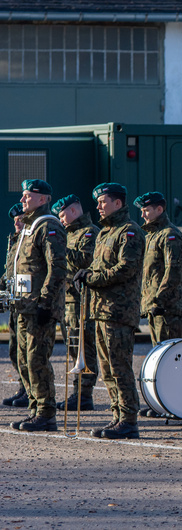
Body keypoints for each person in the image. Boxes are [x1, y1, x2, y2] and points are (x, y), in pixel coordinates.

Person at [75, 183, 143, 439]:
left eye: (103, 202)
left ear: (118, 203)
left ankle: (128, 419)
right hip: (101, 309)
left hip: (119, 311)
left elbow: (126, 268)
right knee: (106, 369)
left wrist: (93, 278)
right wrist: (88, 274)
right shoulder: (105, 232)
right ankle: (117, 417)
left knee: (119, 367)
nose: (99, 207)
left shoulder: (130, 232)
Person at [8, 180, 66, 432]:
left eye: (28, 196)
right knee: (23, 359)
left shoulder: (49, 226)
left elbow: (58, 268)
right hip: (23, 306)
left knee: (36, 359)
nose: (23, 200)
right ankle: (35, 409)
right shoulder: (29, 227)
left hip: (38, 307)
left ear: (43, 199)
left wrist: (46, 302)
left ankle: (45, 413)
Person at [53, 195, 100, 412]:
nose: (61, 220)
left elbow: (85, 261)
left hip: (83, 302)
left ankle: (84, 395)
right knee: (73, 349)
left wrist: (62, 246)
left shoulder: (89, 233)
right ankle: (76, 393)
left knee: (84, 349)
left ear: (73, 211)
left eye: (62, 215)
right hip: (68, 301)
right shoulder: (69, 234)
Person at [134, 192, 182, 347]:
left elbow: (173, 271)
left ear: (159, 209)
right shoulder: (152, 235)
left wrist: (159, 300)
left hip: (168, 309)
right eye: (142, 211)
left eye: (146, 210)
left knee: (169, 356)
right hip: (156, 307)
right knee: (158, 355)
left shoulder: (169, 235)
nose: (143, 215)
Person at [2, 203, 26, 408]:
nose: (16, 222)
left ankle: (30, 391)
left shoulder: (29, 240)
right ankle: (23, 387)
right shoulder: (15, 240)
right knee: (14, 350)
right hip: (14, 302)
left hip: (27, 303)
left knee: (28, 352)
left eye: (20, 218)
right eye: (14, 220)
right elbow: (9, 273)